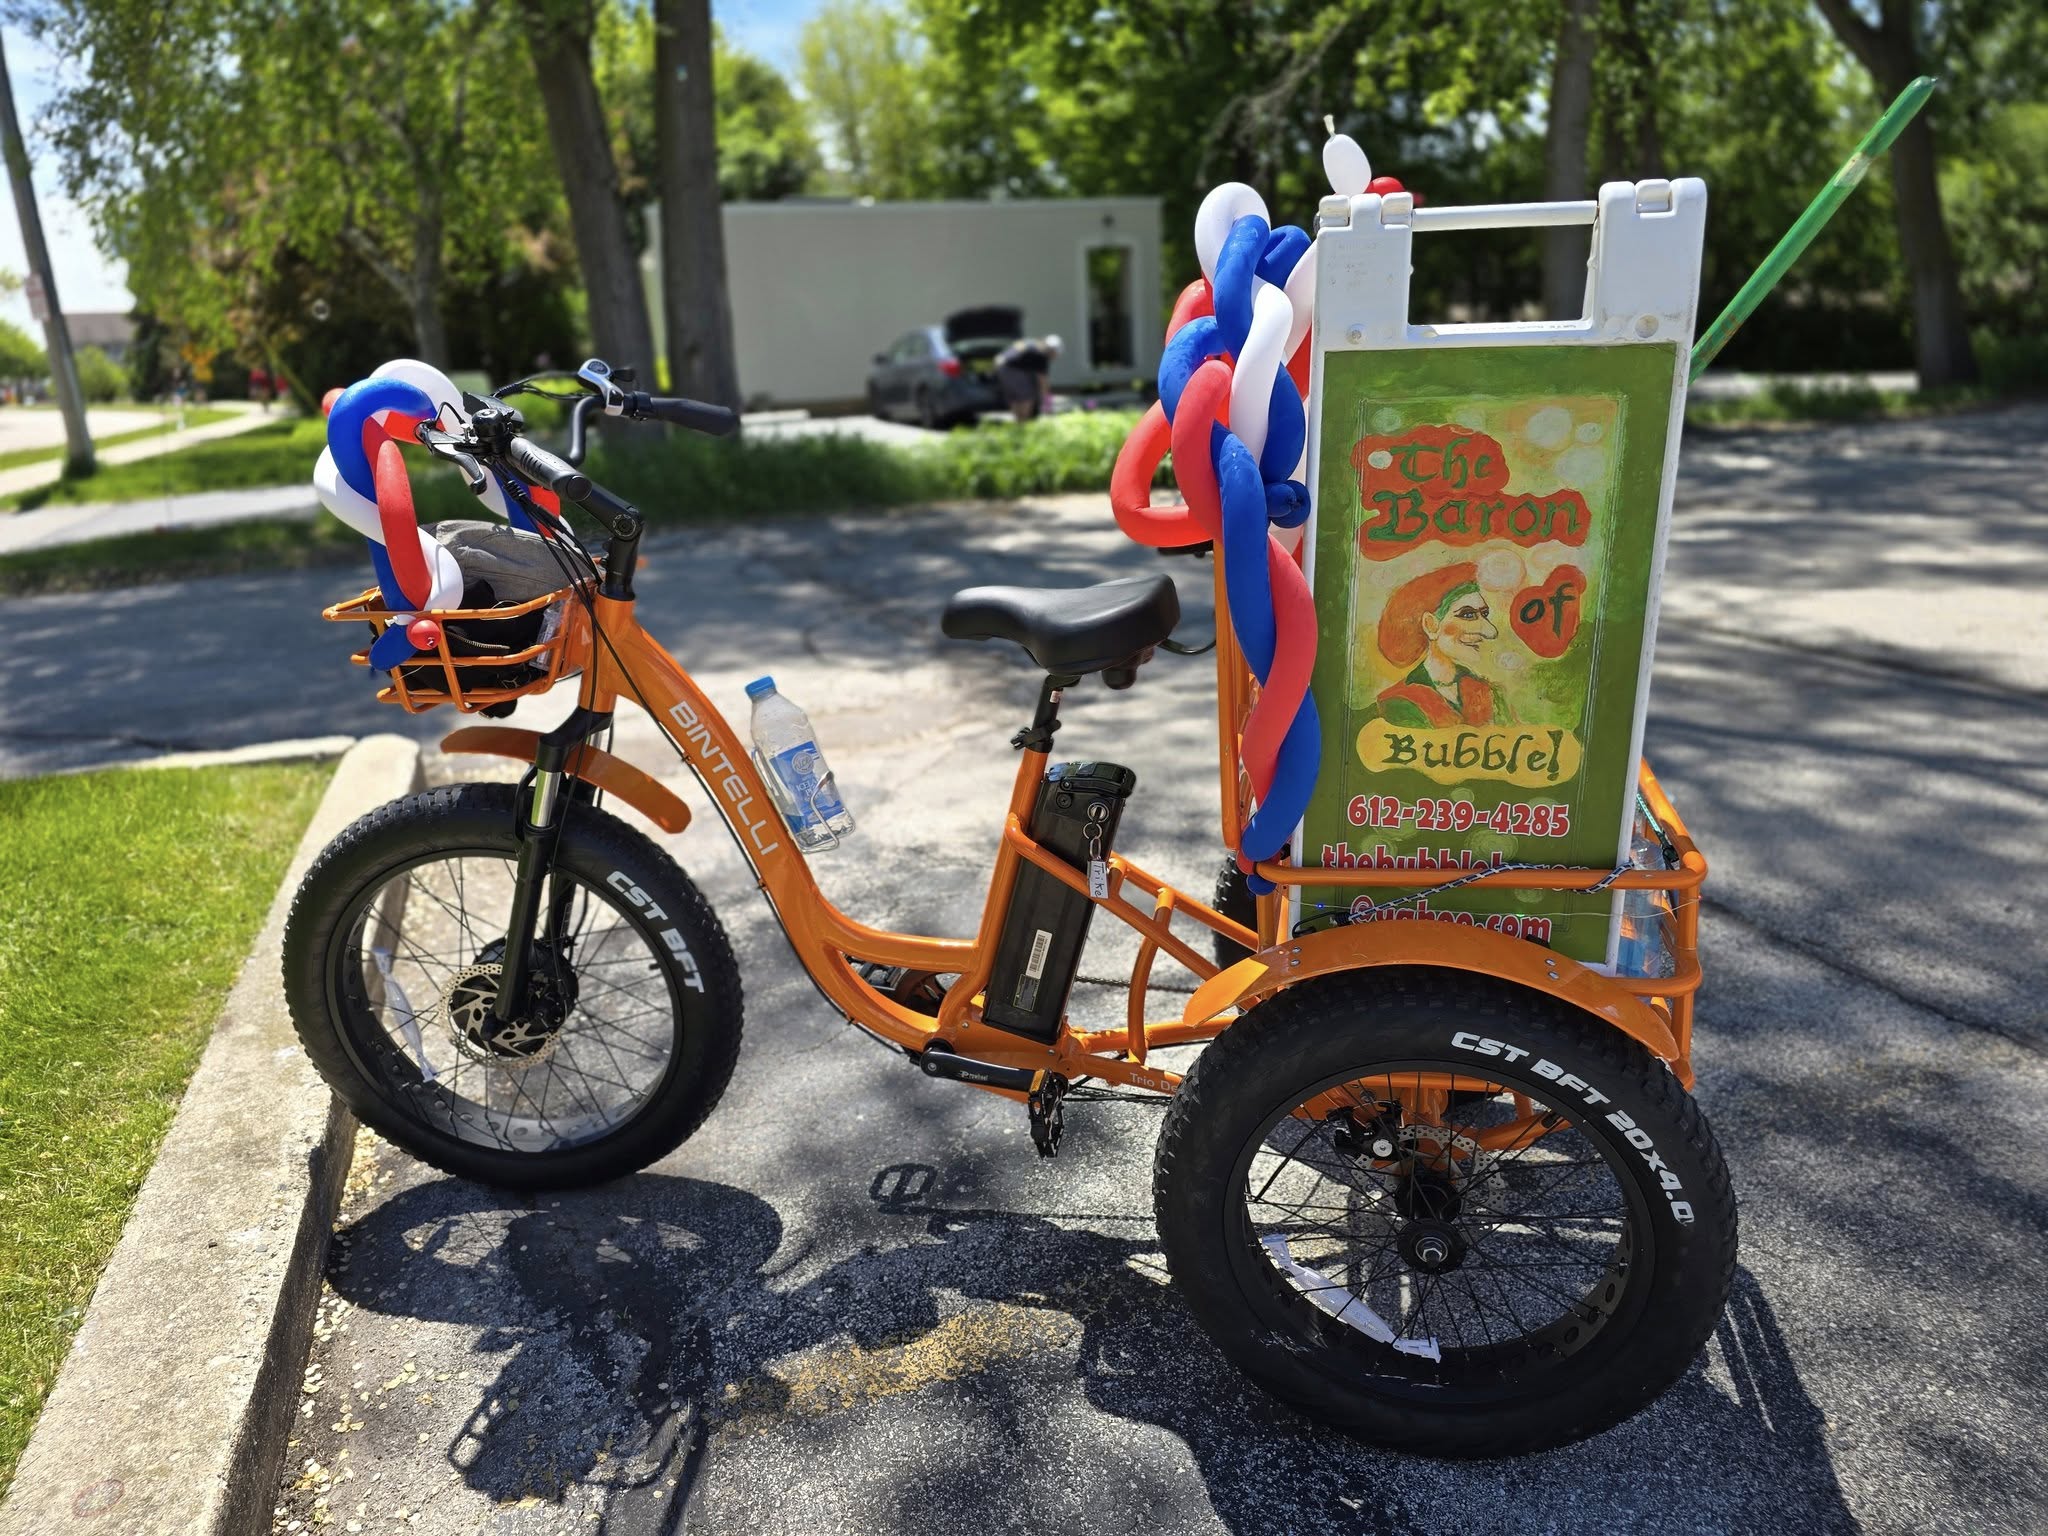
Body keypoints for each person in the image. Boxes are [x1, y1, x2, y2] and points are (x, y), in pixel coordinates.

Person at [1366, 561, 1511, 727]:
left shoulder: (1489, 693)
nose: (1490, 631)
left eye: (1484, 614)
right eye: (1468, 615)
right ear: (1431, 625)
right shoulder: (1398, 702)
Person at [995, 333, 1061, 422]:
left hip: (1001, 366)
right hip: (1012, 370)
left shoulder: (1031, 343)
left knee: (1015, 398)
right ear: (1052, 350)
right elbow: (1043, 383)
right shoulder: (1041, 354)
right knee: (1027, 397)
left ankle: (1019, 422)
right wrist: (1048, 406)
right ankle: (1023, 423)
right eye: (1055, 353)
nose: (1055, 356)